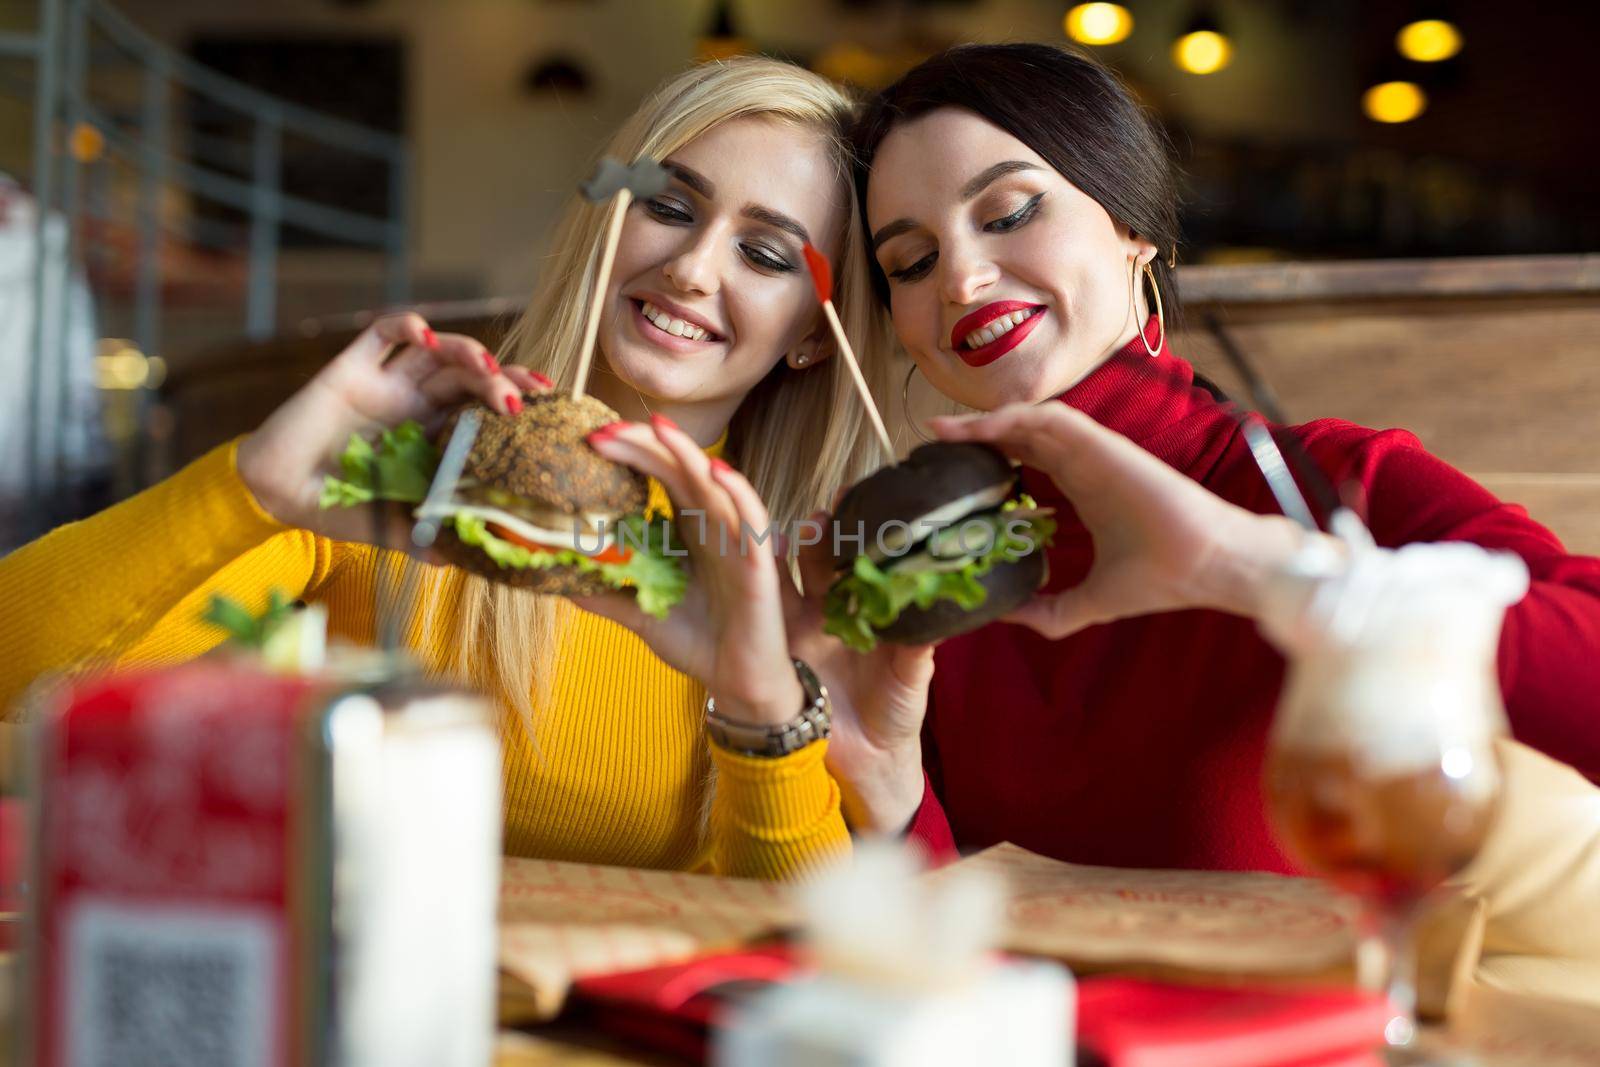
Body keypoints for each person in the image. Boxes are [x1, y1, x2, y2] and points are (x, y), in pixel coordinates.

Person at [0, 57, 900, 880]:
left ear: (814, 336)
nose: (694, 268)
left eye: (767, 253)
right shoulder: (419, 469)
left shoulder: (808, 573)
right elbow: (22, 679)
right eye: (668, 204)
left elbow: (799, 935)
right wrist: (256, 489)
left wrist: (761, 704)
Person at [827, 42, 1600, 872]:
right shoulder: (930, 572)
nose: (963, 280)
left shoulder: (1331, 485)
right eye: (912, 262)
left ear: (1132, 227)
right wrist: (888, 785)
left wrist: (1261, 570)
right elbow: (942, 923)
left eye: (1010, 212)